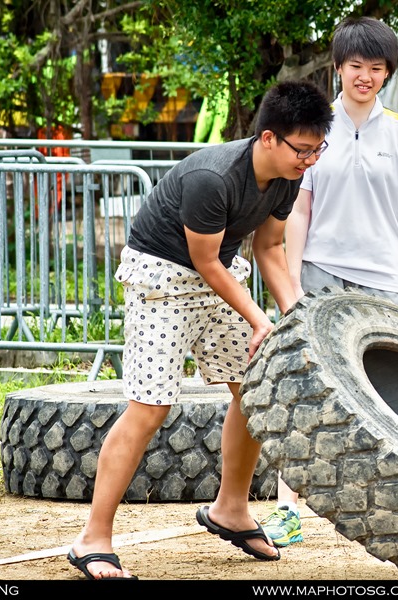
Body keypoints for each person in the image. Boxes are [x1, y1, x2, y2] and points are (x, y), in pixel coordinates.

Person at [66, 80, 333, 579]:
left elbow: (271, 249)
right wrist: (259, 318)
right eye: (303, 149)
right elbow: (204, 260)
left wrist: (295, 318)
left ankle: (230, 509)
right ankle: (92, 539)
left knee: (252, 392)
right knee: (150, 409)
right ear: (269, 138)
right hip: (162, 282)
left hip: (221, 279)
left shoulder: (288, 176)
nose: (310, 159)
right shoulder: (214, 177)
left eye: (319, 148)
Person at [260, 16, 398, 549]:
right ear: (337, 68)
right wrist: (291, 281)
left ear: (387, 73)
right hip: (320, 273)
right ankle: (287, 510)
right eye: (356, 65)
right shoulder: (316, 129)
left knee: (388, 397)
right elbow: (300, 209)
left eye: (376, 67)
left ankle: (392, 511)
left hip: (383, 281)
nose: (365, 76)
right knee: (308, 390)